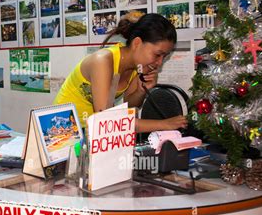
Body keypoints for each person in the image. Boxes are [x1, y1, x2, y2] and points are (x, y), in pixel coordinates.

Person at [53, 12, 187, 132]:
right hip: (65, 127)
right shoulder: (103, 61)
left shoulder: (136, 66)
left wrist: (141, 90)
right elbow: (106, 121)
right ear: (137, 44)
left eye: (165, 57)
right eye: (158, 54)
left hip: (91, 131)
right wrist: (164, 124)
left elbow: (131, 105)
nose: (159, 63)